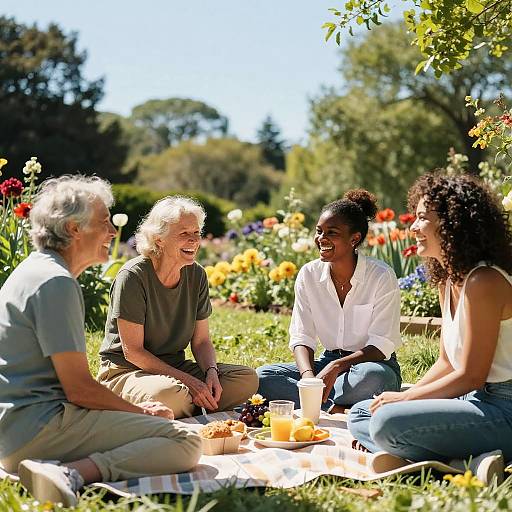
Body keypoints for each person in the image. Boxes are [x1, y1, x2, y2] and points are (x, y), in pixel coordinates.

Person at [0, 176, 202, 507]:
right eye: (103, 221)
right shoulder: (56, 283)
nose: (111, 231)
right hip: (36, 432)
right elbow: (79, 389)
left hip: (16, 429)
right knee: (183, 441)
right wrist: (141, 412)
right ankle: (70, 474)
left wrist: (133, 414)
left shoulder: (35, 270)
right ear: (73, 228)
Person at [348, 173, 512, 477]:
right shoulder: (449, 281)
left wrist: (405, 398)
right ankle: (462, 462)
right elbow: (446, 362)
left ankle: (442, 461)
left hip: (503, 410)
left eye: (423, 217)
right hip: (469, 402)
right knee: (361, 412)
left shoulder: (484, 281)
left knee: (386, 422)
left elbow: (472, 376)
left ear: (453, 222)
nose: (413, 226)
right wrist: (395, 400)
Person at [97, 196, 258, 418]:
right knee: (170, 394)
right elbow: (133, 352)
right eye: (184, 234)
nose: (194, 240)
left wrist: (210, 373)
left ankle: (184, 407)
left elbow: (201, 341)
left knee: (246, 379)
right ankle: (188, 405)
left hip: (175, 370)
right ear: (158, 239)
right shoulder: (133, 276)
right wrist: (189, 382)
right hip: (127, 372)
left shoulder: (197, 274)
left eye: (197, 233)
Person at [257, 190, 402, 411]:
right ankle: (339, 405)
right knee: (263, 376)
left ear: (354, 239)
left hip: (370, 365)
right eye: (319, 231)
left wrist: (337, 366)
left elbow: (382, 345)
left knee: (374, 379)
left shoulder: (381, 276)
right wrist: (308, 379)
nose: (321, 239)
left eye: (331, 232)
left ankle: (320, 402)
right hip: (325, 364)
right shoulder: (309, 274)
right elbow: (302, 335)